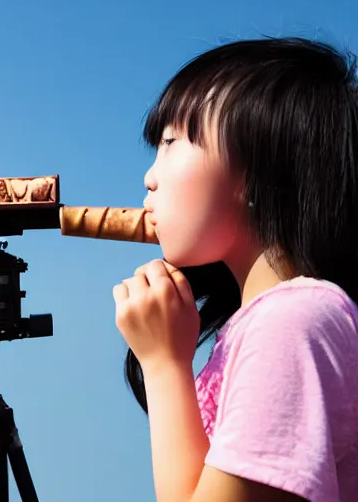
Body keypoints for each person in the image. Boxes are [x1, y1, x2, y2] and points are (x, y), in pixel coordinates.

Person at [112, 37, 358, 502]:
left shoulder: (294, 321)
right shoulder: (266, 323)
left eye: (170, 143)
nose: (150, 177)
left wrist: (165, 366)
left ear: (258, 174)